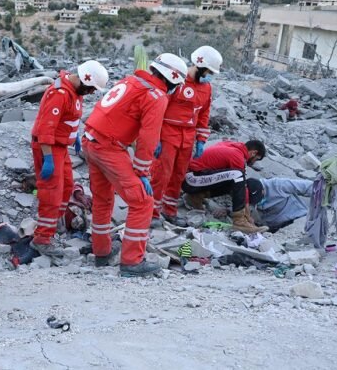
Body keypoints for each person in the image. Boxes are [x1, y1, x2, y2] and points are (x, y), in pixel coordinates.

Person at [82, 53, 188, 276]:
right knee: (142, 202)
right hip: (109, 147)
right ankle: (132, 262)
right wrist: (142, 171)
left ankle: (101, 252)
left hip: (91, 139)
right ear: (171, 78)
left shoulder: (130, 81)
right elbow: (149, 136)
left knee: (102, 199)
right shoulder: (156, 96)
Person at [29, 60, 108, 260]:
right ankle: (41, 239)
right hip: (49, 147)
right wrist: (47, 158)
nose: (90, 93)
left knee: (66, 188)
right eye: (90, 89)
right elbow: (45, 129)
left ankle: (51, 228)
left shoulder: (74, 92)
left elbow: (70, 119)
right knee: (51, 192)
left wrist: (75, 139)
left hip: (61, 146)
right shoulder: (60, 94)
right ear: (84, 79)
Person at [150, 46, 222, 227]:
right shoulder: (176, 81)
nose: (208, 76)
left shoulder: (207, 88)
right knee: (161, 174)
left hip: (187, 137)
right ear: (199, 65)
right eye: (207, 71)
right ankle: (151, 212)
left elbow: (204, 114)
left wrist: (201, 140)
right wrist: (156, 136)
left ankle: (170, 211)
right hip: (168, 133)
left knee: (178, 175)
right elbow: (158, 109)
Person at [181, 140, 268, 233]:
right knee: (237, 176)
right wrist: (247, 216)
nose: (254, 162)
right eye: (256, 159)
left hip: (193, 178)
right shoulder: (237, 156)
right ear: (253, 153)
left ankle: (196, 196)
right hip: (191, 180)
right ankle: (240, 221)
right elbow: (243, 187)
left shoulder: (230, 145)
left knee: (232, 180)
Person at [247, 177, 312, 232]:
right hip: (274, 228)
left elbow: (309, 187)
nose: (258, 203)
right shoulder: (245, 197)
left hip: (297, 219)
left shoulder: (277, 185)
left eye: (259, 198)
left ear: (263, 190)